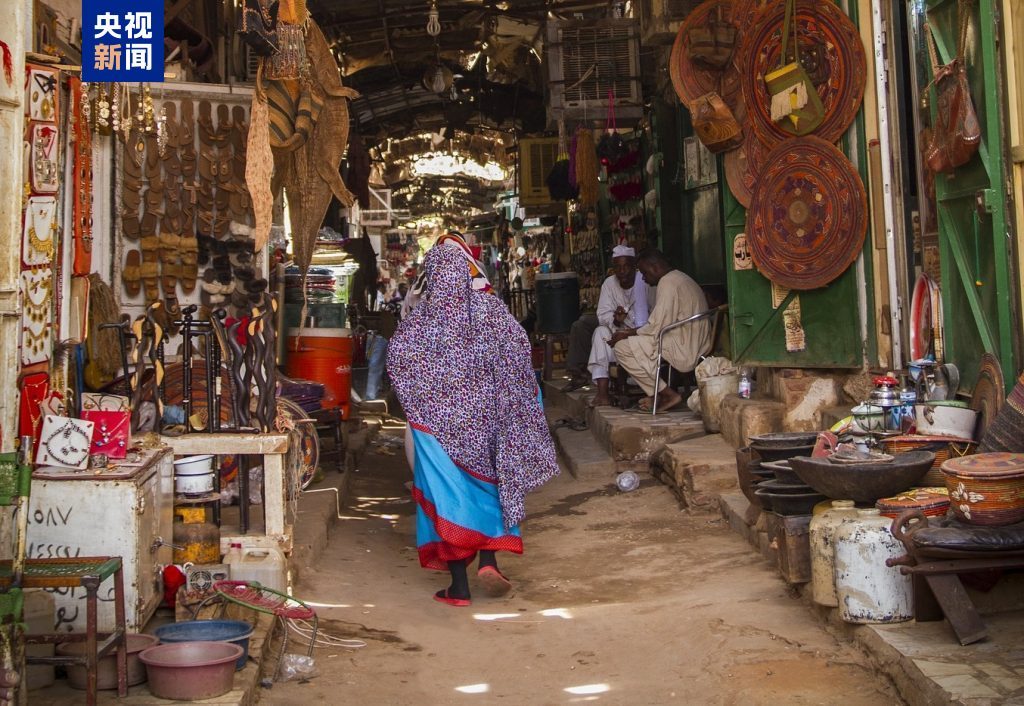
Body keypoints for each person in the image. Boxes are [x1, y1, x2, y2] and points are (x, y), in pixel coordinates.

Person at [387, 236, 559, 607]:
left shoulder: (420, 322)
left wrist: (423, 404)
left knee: (448, 498)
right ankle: (490, 559)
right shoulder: (493, 312)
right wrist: (513, 405)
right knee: (493, 488)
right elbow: (519, 355)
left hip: (439, 433)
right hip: (489, 427)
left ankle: (459, 588)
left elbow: (396, 361)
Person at [610, 248, 710, 413]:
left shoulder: (668, 282)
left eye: (644, 272)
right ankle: (658, 394)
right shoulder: (680, 277)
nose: (643, 277)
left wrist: (625, 333)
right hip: (695, 341)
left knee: (622, 348)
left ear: (654, 267)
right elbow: (661, 324)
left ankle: (666, 394)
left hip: (685, 346)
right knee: (635, 344)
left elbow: (656, 327)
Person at [587, 245, 652, 407]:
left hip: (641, 336)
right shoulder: (609, 284)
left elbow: (656, 317)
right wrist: (616, 320)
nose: (622, 271)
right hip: (616, 336)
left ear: (634, 266)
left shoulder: (645, 281)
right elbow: (602, 315)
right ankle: (603, 394)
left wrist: (631, 330)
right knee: (600, 332)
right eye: (617, 267)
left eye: (626, 267)